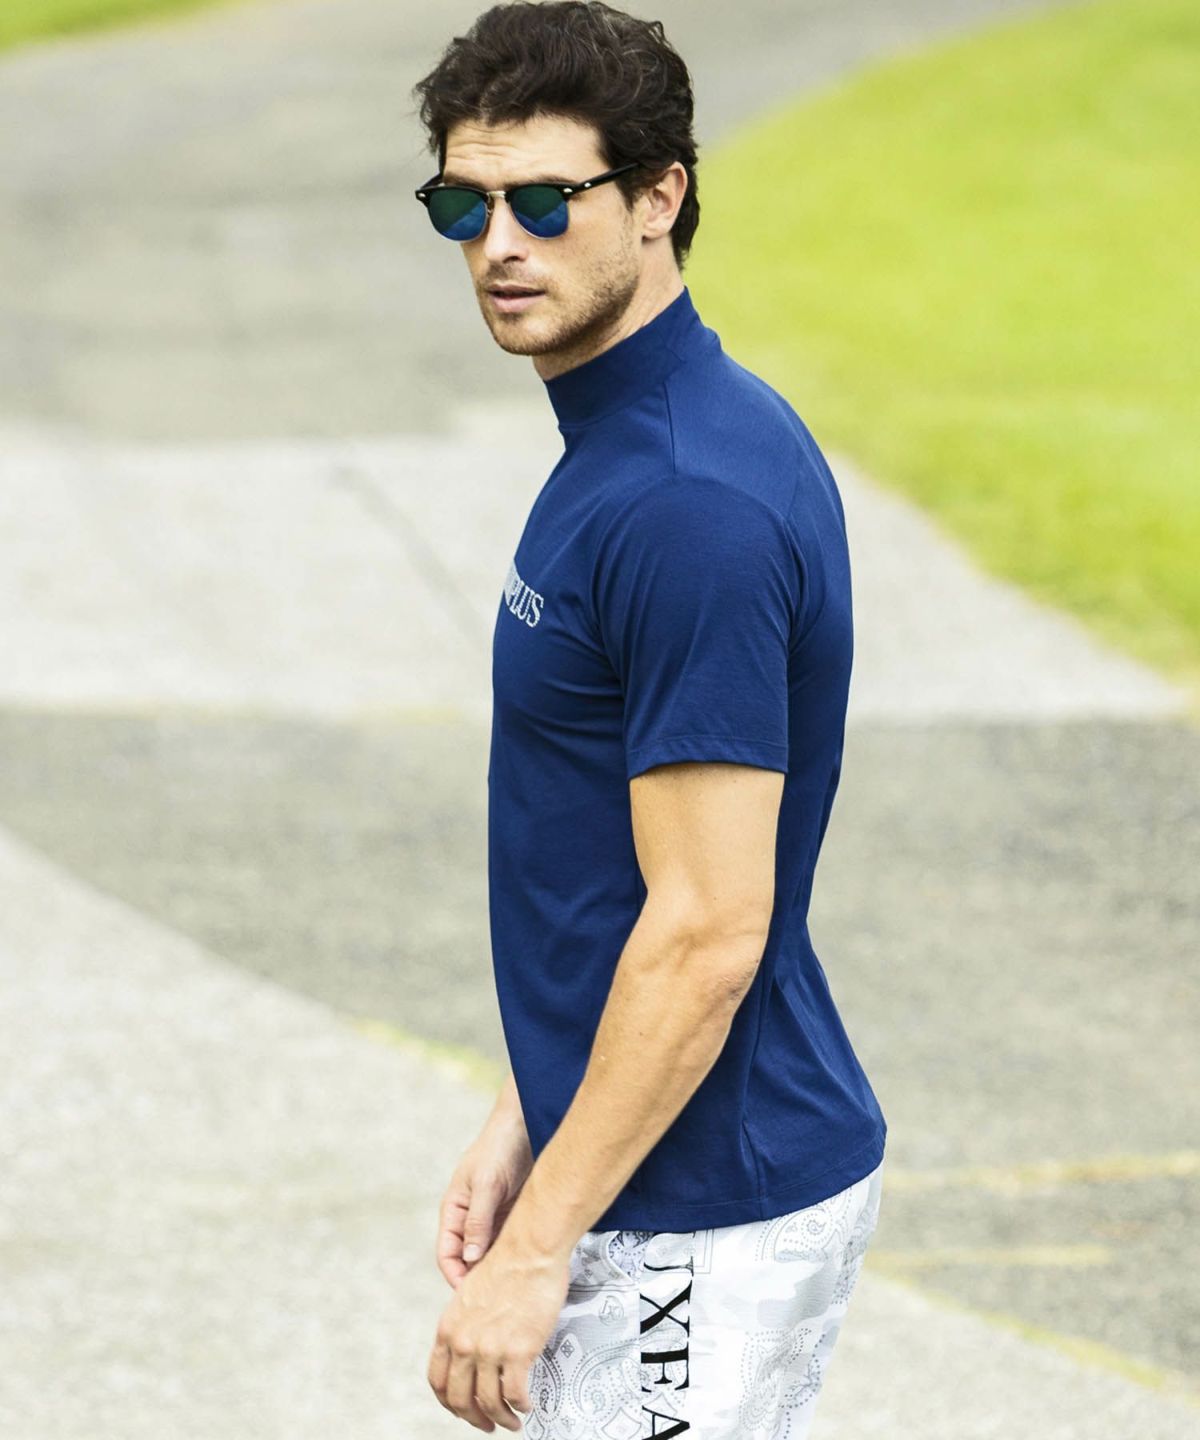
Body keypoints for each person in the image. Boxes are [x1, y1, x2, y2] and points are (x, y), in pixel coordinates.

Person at [411, 3, 888, 1435]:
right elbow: (610, 867)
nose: (500, 245)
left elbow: (706, 932)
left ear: (660, 194)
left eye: (546, 201)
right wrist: (532, 1105)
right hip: (648, 1169)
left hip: (694, 1215)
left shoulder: (686, 505)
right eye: (465, 205)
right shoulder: (641, 437)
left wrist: (537, 1247)